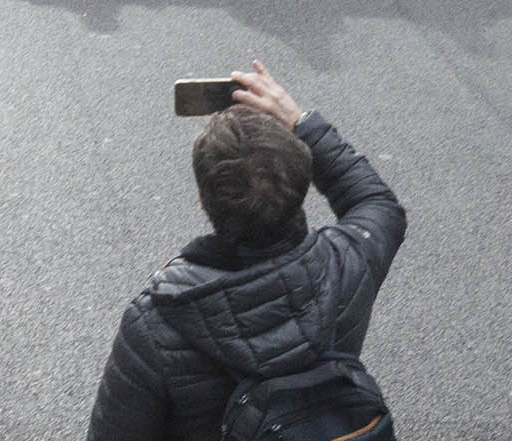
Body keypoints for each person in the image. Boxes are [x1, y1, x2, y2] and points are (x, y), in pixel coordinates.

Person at [84, 61, 405, 441]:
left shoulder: (156, 324)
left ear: (204, 201)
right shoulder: (347, 264)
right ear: (301, 186)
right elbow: (377, 202)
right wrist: (299, 120)